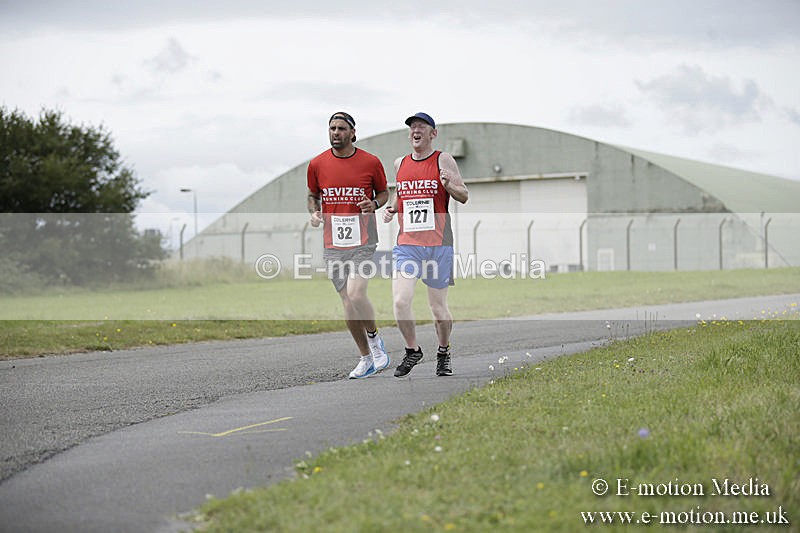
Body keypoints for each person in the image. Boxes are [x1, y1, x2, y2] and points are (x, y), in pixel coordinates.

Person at [383, 112, 469, 377]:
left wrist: (448, 186)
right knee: (400, 301)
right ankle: (413, 351)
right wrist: (392, 208)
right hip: (407, 243)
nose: (415, 131)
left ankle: (443, 352)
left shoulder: (443, 159)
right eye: (411, 128)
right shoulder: (400, 163)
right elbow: (403, 193)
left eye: (421, 127)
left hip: (437, 244)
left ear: (433, 133)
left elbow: (463, 195)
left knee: (438, 309)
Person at [307, 112, 390, 379]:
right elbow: (312, 195)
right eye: (332, 128)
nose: (335, 132)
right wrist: (314, 212)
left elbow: (384, 193)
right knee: (346, 301)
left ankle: (376, 343)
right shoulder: (317, 164)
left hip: (363, 240)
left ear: (353, 133)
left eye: (341, 128)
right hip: (333, 243)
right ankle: (365, 357)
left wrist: (374, 204)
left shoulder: (370, 162)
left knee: (356, 293)